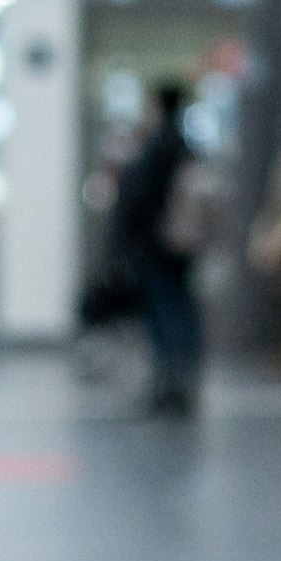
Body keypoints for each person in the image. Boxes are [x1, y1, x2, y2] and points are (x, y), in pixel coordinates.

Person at [114, 82, 205, 417]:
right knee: (177, 310)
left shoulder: (161, 145)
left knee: (166, 314)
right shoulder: (183, 145)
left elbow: (140, 197)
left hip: (157, 246)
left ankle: (172, 386)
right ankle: (178, 383)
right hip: (173, 244)